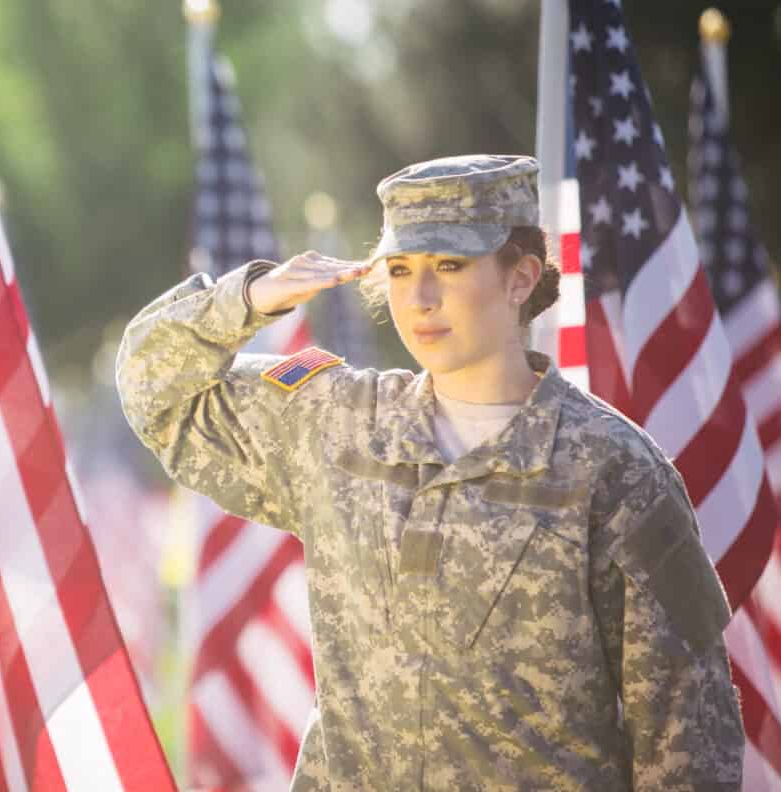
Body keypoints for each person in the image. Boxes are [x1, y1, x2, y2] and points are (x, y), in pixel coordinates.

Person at [117, 154, 743, 790]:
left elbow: (686, 726)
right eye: (399, 269)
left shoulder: (613, 469)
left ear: (522, 277)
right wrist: (246, 299)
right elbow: (154, 390)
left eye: (449, 266)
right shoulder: (336, 423)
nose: (419, 297)